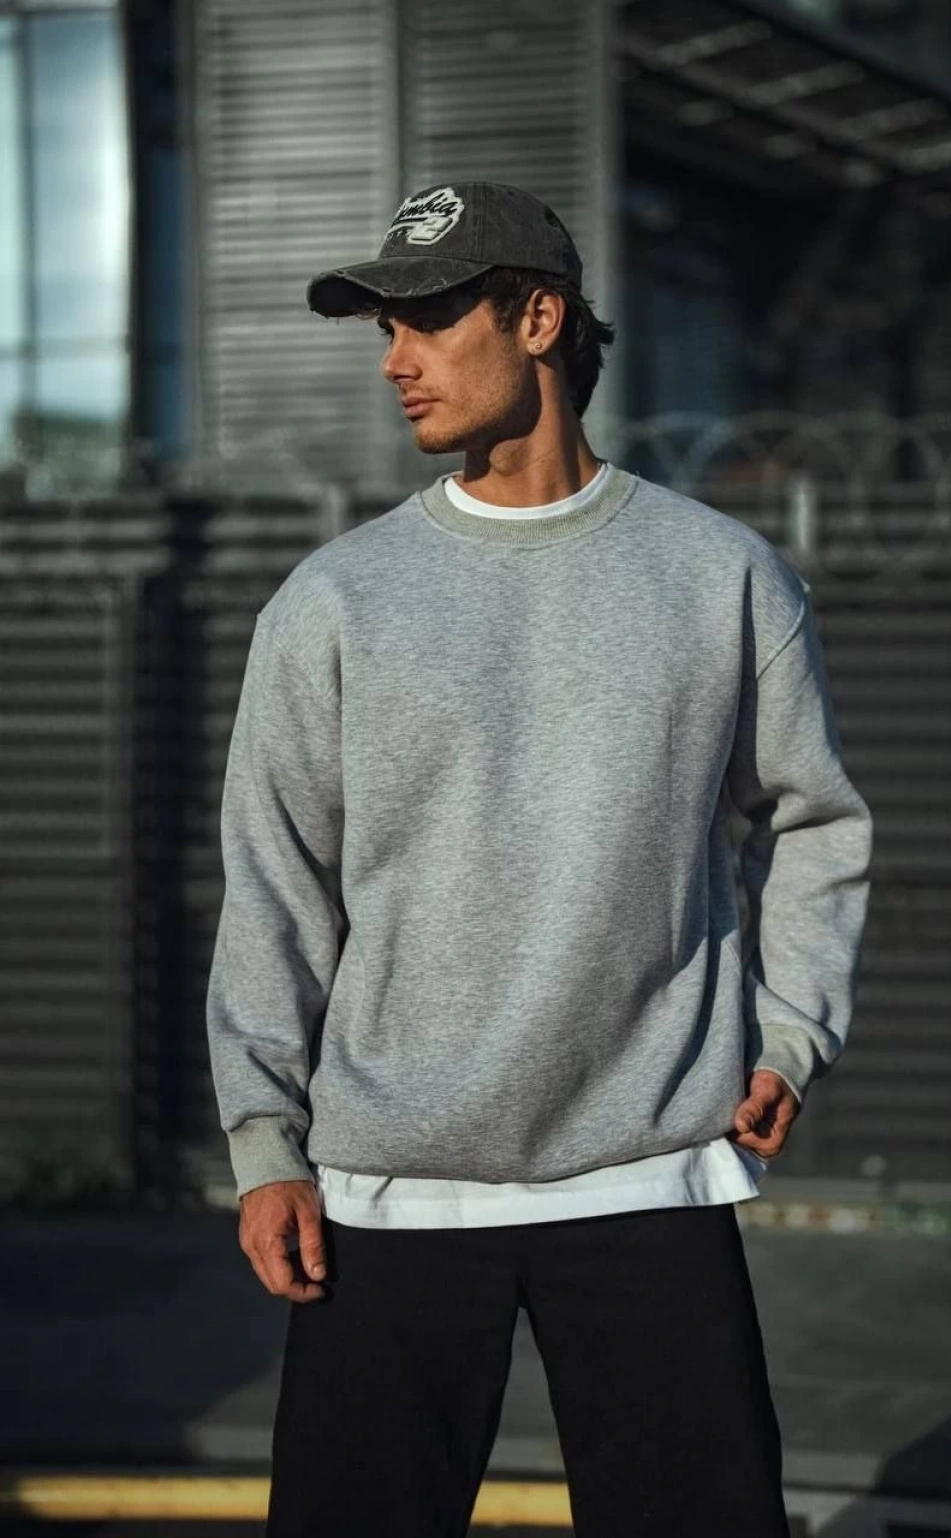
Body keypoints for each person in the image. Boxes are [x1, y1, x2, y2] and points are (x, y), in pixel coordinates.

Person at [206, 180, 873, 1538]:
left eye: (431, 320)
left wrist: (792, 1030)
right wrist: (265, 1141)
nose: (396, 360)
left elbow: (816, 820)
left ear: (540, 319)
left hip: (648, 1172)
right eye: (385, 329)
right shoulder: (334, 602)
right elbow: (275, 881)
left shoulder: (721, 577)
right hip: (389, 1192)